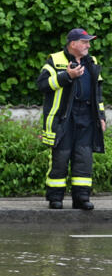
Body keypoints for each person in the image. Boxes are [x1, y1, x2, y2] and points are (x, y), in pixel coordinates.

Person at [39, 28, 105, 210]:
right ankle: (55, 198)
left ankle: (82, 198)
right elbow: (43, 84)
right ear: (73, 44)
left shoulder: (92, 62)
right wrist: (67, 76)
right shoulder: (55, 60)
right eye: (85, 42)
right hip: (63, 118)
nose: (88, 45)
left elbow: (97, 93)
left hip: (86, 117)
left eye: (88, 42)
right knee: (60, 157)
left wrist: (101, 116)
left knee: (84, 159)